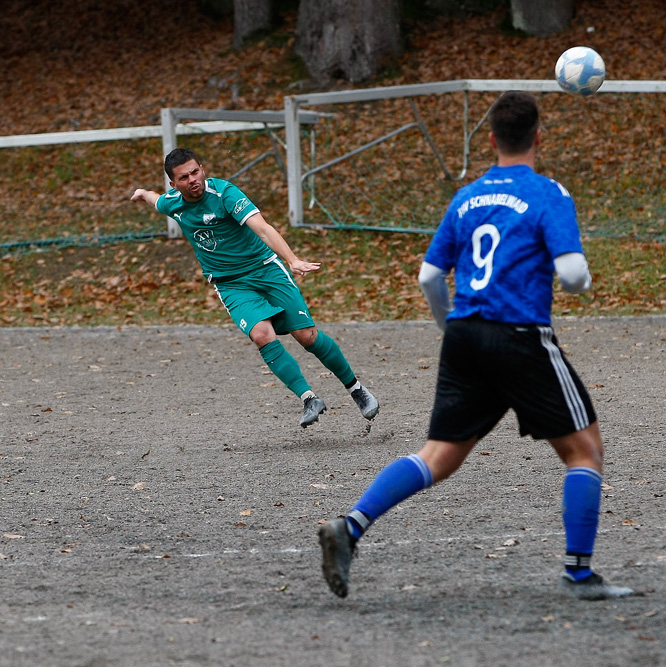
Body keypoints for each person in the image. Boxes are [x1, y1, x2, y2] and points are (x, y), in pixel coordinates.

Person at [318, 91, 635, 600]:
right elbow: (573, 275)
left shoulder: (467, 196)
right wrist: (577, 281)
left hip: (464, 336)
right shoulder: (547, 192)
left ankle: (350, 527)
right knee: (584, 453)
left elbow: (428, 277)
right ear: (538, 137)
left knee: (439, 455)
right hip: (519, 336)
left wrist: (455, 331)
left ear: (491, 139)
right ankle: (579, 575)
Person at [130, 148, 379, 428]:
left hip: (265, 269)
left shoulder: (225, 194)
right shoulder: (172, 203)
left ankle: (356, 389)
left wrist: (293, 259)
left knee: (306, 336)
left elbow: (262, 228)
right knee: (261, 334)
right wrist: (143, 193)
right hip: (230, 283)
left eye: (195, 171)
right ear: (174, 184)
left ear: (203, 168)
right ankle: (309, 398)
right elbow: (157, 201)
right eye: (184, 177)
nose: (192, 180)